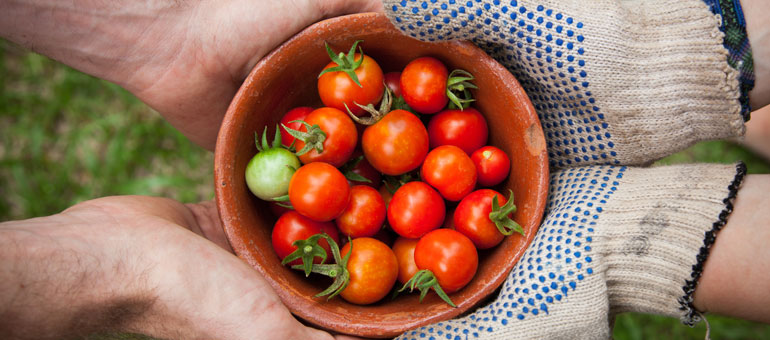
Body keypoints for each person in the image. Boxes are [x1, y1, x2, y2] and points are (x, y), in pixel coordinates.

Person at [0, 0, 768, 339]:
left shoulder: (358, 149)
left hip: (431, 201)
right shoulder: (355, 184)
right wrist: (114, 274)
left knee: (688, 76)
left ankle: (735, 90)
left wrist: (160, 29)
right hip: (427, 213)